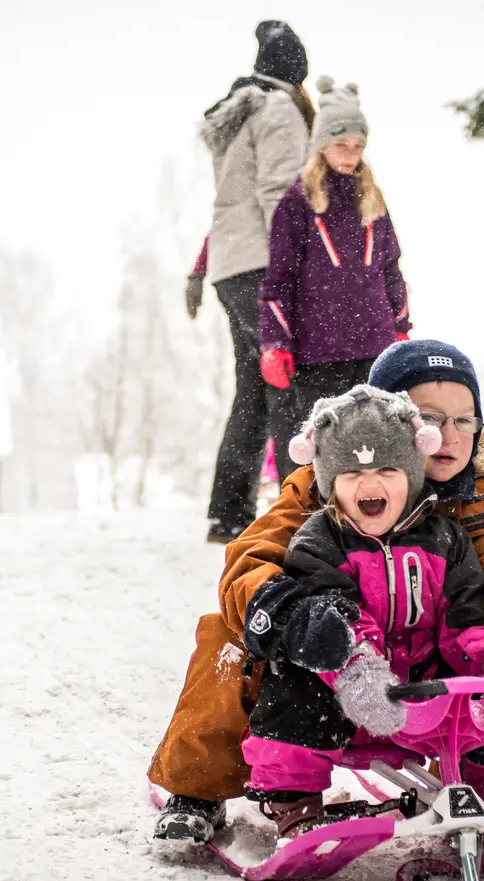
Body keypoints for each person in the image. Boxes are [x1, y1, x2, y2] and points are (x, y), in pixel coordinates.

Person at [151, 339, 484, 844]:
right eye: (432, 417)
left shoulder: (469, 501)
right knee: (230, 636)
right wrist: (285, 613)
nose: (449, 435)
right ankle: (196, 788)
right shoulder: (325, 488)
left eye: (464, 420)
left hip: (425, 668)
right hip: (337, 656)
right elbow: (252, 557)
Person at [240, 385, 484, 840]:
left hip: (428, 698)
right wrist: (357, 668)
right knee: (294, 682)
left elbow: (465, 619)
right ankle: (294, 803)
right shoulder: (317, 542)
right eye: (351, 472)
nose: (370, 484)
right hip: (347, 696)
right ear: (329, 483)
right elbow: (336, 614)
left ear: (412, 476)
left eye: (388, 470)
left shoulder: (447, 539)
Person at [196, 21, 315, 545]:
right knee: (287, 383)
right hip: (263, 263)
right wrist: (298, 266)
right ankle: (297, 511)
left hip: (231, 266)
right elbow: (279, 193)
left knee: (252, 390)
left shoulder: (239, 111)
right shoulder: (280, 109)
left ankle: (228, 514)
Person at [256, 78, 411, 433]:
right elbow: (279, 279)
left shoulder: (372, 198)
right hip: (320, 352)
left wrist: (401, 326)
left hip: (375, 348)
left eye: (358, 145)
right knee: (329, 449)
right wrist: (275, 342)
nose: (350, 154)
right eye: (341, 144)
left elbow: (391, 268)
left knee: (381, 442)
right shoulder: (297, 202)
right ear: (322, 144)